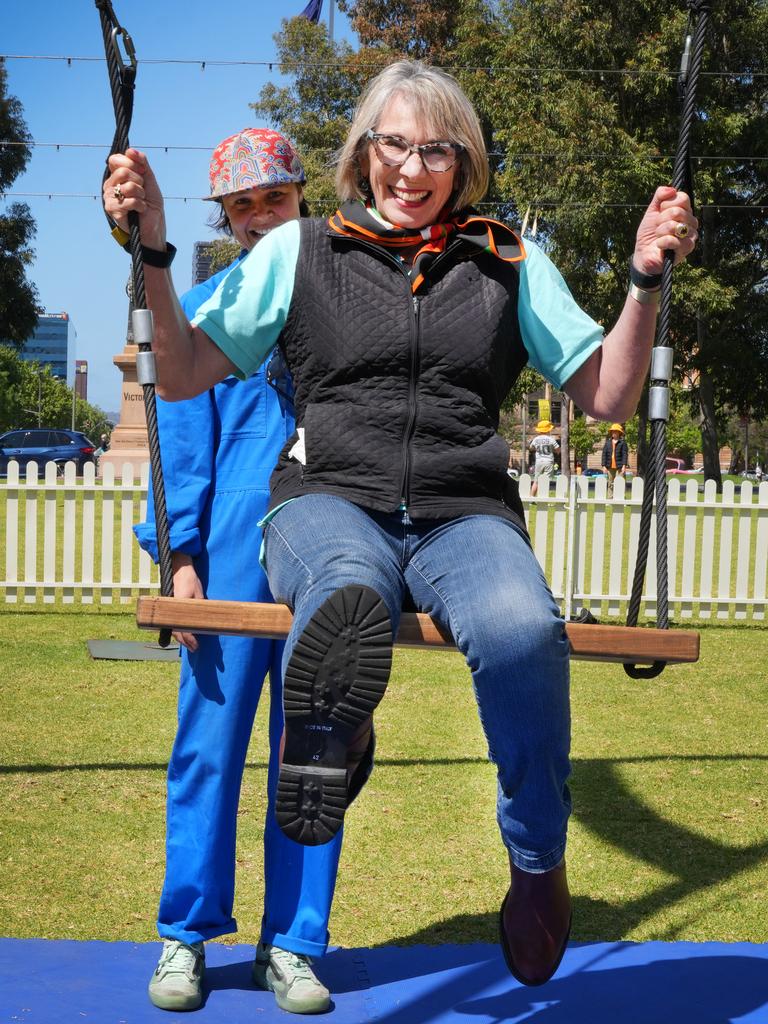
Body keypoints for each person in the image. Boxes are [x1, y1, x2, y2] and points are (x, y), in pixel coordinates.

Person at [104, 59, 698, 989]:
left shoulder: (508, 260)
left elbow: (609, 393)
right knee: (343, 589)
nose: (411, 168)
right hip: (328, 497)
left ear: (463, 163)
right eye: (393, 144)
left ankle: (535, 859)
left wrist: (642, 279)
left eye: (435, 150)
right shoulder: (296, 251)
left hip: (465, 512)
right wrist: (155, 252)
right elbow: (177, 373)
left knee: (520, 630)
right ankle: (342, 726)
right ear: (360, 152)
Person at [105, 128, 347, 1016]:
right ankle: (185, 936)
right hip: (232, 560)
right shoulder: (199, 312)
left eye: (272, 199)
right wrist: (181, 563)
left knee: (313, 755)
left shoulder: (348, 301)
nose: (257, 218)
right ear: (224, 219)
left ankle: (292, 943)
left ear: (301, 199)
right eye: (241, 207)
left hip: (332, 552)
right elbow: (181, 446)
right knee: (208, 747)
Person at [529, 419, 560, 497]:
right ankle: (544, 497)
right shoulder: (551, 439)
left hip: (539, 461)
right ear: (548, 430)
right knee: (546, 480)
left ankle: (532, 497)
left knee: (536, 481)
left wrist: (537, 449)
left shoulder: (535, 439)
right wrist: (554, 451)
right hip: (548, 461)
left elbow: (531, 448)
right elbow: (558, 450)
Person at [601, 422, 629, 491]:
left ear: (619, 433)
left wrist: (624, 466)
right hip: (610, 467)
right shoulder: (607, 443)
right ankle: (610, 500)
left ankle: (621, 499)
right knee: (610, 484)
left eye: (616, 431)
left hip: (619, 467)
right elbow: (604, 455)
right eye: (613, 431)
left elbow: (625, 455)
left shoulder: (622, 443)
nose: (614, 433)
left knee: (620, 483)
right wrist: (603, 466)